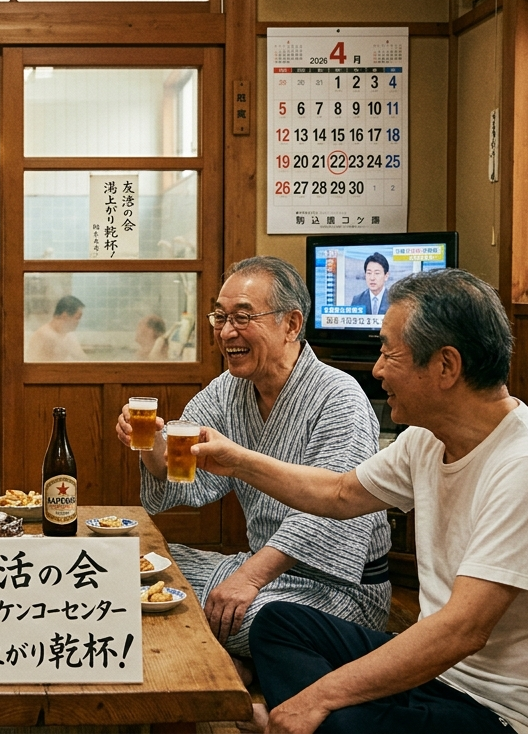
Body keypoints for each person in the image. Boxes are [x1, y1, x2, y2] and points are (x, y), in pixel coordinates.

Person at [194, 268, 528, 734]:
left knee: (336, 716)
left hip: (512, 714)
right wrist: (237, 460)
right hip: (440, 678)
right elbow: (339, 492)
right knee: (278, 624)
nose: (377, 368)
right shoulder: (426, 440)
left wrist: (317, 697)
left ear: (446, 366)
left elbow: (461, 631)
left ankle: (302, 720)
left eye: (389, 351)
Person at [115, 257, 389, 667]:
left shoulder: (339, 397)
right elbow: (180, 469)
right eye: (220, 317)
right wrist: (151, 444)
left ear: (292, 324)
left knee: (256, 621)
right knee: (129, 572)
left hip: (336, 589)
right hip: (260, 571)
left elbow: (332, 512)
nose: (226, 332)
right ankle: (241, 661)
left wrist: (248, 580)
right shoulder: (228, 389)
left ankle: (242, 660)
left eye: (243, 317)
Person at [27, 295, 88, 362]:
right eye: (77, 318)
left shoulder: (69, 334)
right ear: (65, 316)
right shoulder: (43, 335)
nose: (79, 322)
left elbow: (84, 360)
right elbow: (32, 364)